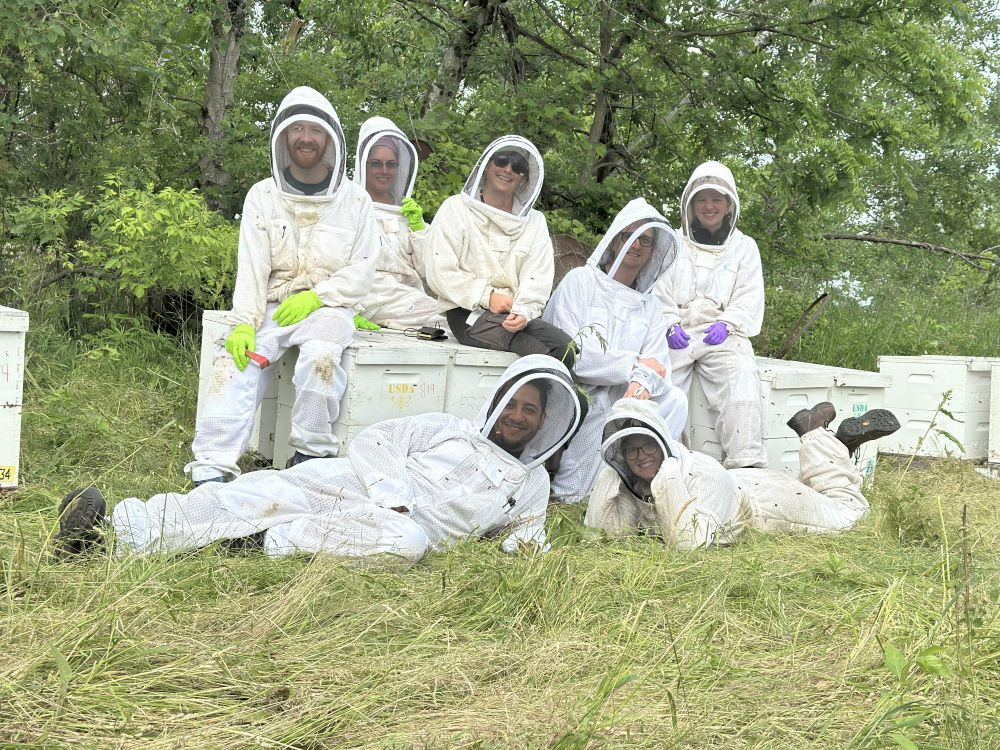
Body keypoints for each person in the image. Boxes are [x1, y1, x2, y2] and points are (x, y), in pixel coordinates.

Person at [53, 356, 583, 563]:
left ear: (546, 422)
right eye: (511, 403)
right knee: (260, 492)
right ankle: (116, 528)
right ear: (496, 402)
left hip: (403, 529)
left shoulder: (531, 481)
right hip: (359, 483)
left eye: (530, 410)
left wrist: (530, 554)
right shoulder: (449, 428)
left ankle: (259, 543)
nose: (516, 416)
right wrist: (392, 494)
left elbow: (523, 533)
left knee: (407, 546)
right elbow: (376, 441)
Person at [187, 87, 379, 484]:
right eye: (297, 129)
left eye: (315, 130)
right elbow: (252, 267)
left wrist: (318, 297)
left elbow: (363, 270)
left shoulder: (355, 201)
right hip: (272, 308)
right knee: (235, 365)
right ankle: (212, 470)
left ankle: (308, 457)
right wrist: (244, 321)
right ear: (282, 137)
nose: (306, 138)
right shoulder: (263, 195)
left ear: (330, 140)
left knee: (322, 357)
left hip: (328, 308)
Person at [585, 398, 901, 549]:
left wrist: (666, 476)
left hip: (768, 505)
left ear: (662, 443)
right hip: (743, 482)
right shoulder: (635, 480)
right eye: (631, 451)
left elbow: (688, 545)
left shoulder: (694, 473)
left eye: (648, 447)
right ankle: (824, 439)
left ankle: (823, 437)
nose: (641, 458)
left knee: (847, 511)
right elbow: (605, 534)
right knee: (823, 493)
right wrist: (610, 477)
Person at [542, 198, 689, 503]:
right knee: (600, 407)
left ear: (653, 252)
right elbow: (572, 354)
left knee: (675, 399)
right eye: (628, 236)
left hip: (627, 393)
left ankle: (639, 486)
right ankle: (574, 493)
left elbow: (659, 365)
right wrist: (634, 366)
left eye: (645, 241)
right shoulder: (580, 281)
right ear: (614, 239)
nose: (635, 245)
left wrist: (640, 384)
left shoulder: (650, 305)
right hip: (575, 390)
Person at [423, 135, 574, 366]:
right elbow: (439, 271)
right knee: (541, 352)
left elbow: (538, 275)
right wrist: (486, 296)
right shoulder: (456, 208)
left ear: (525, 177)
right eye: (502, 160)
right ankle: (564, 401)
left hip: (515, 314)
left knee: (567, 350)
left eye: (518, 166)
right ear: (486, 165)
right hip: (466, 312)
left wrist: (524, 310)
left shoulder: (534, 221)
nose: (508, 169)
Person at [654, 160, 766, 468]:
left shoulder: (745, 247)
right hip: (674, 334)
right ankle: (665, 462)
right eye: (702, 199)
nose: (709, 206)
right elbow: (658, 288)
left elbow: (748, 296)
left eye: (716, 199)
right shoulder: (671, 241)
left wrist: (727, 323)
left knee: (741, 377)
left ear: (729, 205)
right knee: (658, 382)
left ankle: (746, 464)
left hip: (722, 335)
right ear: (690, 205)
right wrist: (668, 323)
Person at [352, 116, 443, 329]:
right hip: (368, 295)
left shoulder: (407, 212)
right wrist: (351, 309)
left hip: (407, 296)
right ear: (363, 165)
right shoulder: (350, 206)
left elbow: (429, 272)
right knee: (448, 320)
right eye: (376, 163)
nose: (384, 171)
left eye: (391, 164)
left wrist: (420, 231)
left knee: (455, 315)